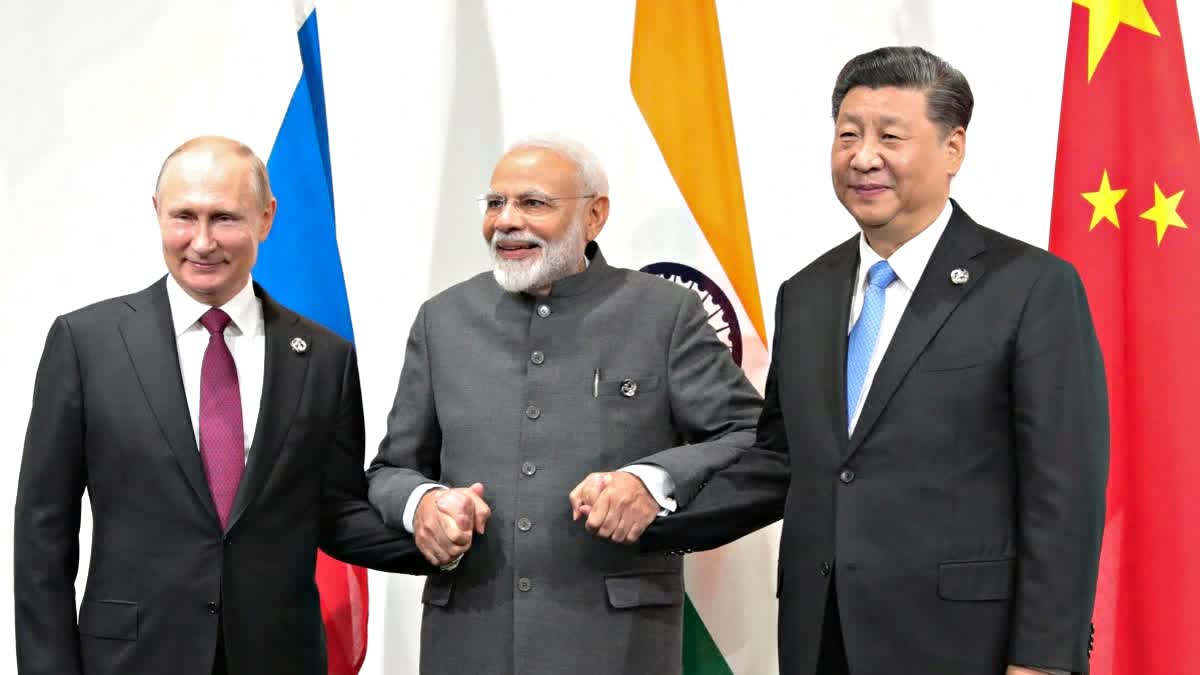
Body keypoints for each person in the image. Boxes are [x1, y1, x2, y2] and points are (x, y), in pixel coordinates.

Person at [622, 47, 1109, 674]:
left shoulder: (1032, 287)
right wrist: (647, 504)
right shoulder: (806, 294)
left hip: (964, 645)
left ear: (953, 149)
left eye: (890, 136)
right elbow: (783, 460)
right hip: (820, 637)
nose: (863, 157)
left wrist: (1042, 660)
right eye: (847, 135)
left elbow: (1063, 493)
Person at [14, 136, 427, 675]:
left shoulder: (325, 358)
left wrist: (443, 538)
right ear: (157, 212)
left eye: (225, 218)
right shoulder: (85, 343)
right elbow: (42, 532)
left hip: (278, 657)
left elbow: (335, 512)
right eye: (184, 217)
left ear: (266, 217)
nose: (202, 242)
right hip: (129, 658)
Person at [365, 135, 762, 675]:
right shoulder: (443, 319)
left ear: (595, 216)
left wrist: (652, 480)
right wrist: (423, 505)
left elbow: (750, 436)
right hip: (470, 640)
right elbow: (391, 469)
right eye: (495, 204)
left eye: (533, 203)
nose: (506, 221)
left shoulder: (664, 314)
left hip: (617, 644)